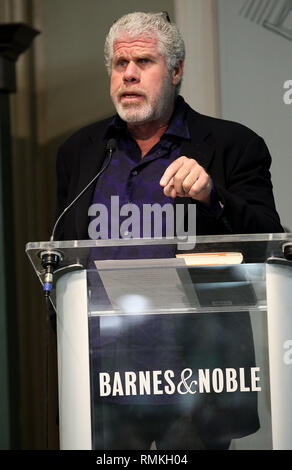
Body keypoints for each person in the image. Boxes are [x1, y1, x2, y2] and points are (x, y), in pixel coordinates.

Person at [55, 12, 283, 450]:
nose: (129, 75)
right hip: (103, 381)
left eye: (144, 61)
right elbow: (63, 260)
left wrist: (213, 197)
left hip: (196, 380)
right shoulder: (80, 153)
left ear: (176, 70)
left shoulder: (234, 146)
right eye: (120, 64)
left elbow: (269, 244)